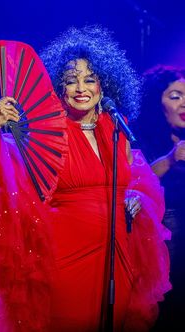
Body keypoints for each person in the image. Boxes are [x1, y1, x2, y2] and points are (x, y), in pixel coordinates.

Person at [0, 26, 171, 332]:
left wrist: (134, 198)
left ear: (104, 85)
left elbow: (136, 180)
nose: (80, 88)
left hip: (117, 255)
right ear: (59, 87)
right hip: (64, 258)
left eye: (89, 79)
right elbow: (2, 178)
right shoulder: (46, 133)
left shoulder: (116, 130)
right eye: (71, 81)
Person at [133, 64, 185, 331]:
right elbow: (133, 181)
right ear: (157, 102)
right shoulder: (140, 135)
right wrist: (170, 160)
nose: (183, 104)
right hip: (163, 232)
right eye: (175, 96)